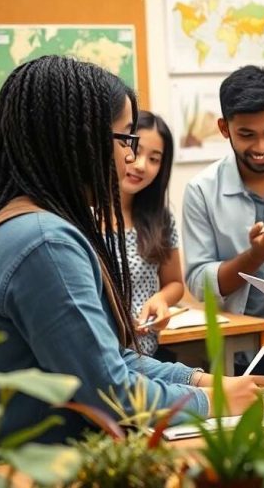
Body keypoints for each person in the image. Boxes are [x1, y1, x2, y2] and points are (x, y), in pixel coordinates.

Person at [0, 56, 263, 460]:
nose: (131, 157)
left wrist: (197, 380)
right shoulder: (45, 244)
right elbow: (112, 394)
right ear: (79, 140)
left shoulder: (21, 221)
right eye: (125, 139)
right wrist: (212, 403)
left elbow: (108, 360)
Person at [183, 65, 264, 380]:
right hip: (243, 352)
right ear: (224, 128)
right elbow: (200, 284)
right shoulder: (201, 190)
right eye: (246, 135)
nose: (261, 148)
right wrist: (254, 257)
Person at [118, 110, 184, 357]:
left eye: (154, 159)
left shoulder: (160, 218)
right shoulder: (83, 215)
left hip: (146, 357)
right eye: (135, 149)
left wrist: (161, 300)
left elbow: (175, 283)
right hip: (102, 357)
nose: (141, 165)